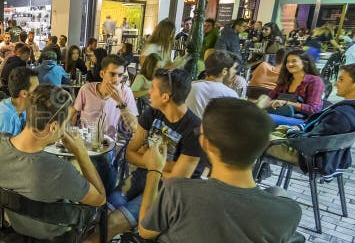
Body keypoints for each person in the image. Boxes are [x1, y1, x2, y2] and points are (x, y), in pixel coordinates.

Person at [136, 99, 302, 243]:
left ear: (205, 144)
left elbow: (145, 231)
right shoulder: (288, 212)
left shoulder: (178, 192)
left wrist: (154, 171)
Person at [0, 86, 106, 243]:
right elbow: (100, 199)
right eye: (64, 124)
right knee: (111, 222)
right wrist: (80, 152)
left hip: (15, 227)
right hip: (53, 240)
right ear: (52, 127)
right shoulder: (58, 171)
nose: (65, 129)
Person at [265, 63, 355, 175]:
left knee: (252, 138)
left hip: (309, 157)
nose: (335, 84)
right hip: (331, 157)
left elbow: (307, 142)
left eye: (341, 79)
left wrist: (292, 132)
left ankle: (252, 183)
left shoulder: (342, 114)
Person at [123, 69, 205, 221]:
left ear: (165, 97)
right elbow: (130, 153)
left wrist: (147, 157)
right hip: (141, 177)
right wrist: (164, 166)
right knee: (106, 207)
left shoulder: (195, 131)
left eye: (153, 88)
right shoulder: (152, 112)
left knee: (115, 220)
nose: (149, 91)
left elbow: (175, 181)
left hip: (167, 192)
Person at [73, 54, 138, 195]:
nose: (116, 80)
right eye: (112, 74)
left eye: (120, 75)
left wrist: (120, 102)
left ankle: (103, 200)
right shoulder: (86, 89)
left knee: (103, 163)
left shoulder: (125, 92)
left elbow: (134, 127)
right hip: (84, 144)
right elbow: (73, 114)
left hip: (109, 147)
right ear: (102, 73)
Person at [266, 49, 324, 125]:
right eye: (287, 61)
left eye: (294, 61)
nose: (289, 64)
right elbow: (269, 98)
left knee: (263, 117)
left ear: (304, 63)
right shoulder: (286, 80)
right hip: (280, 115)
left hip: (304, 121)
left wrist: (286, 103)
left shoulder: (315, 81)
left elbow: (314, 109)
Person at [185, 51, 240, 118]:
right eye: (234, 69)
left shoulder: (190, 86)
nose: (235, 72)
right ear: (224, 71)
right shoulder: (230, 95)